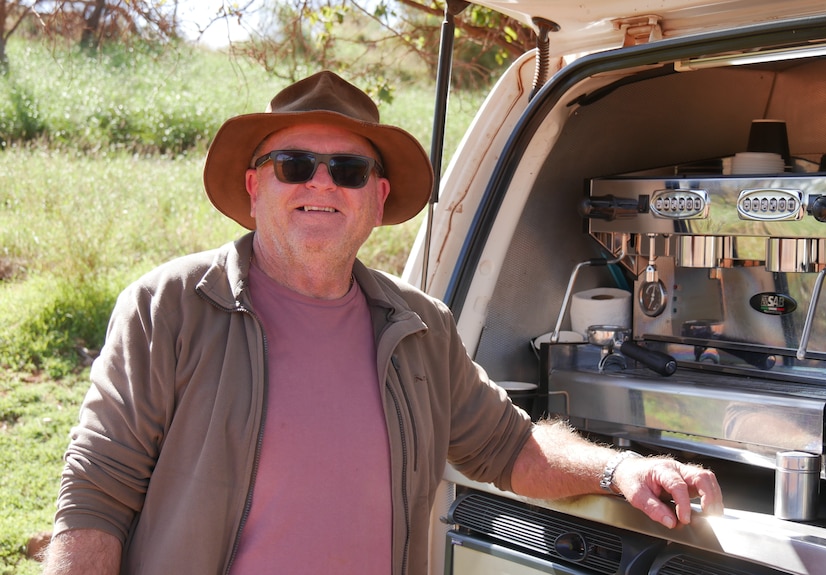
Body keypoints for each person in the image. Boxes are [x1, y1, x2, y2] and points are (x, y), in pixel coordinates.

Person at [42, 71, 723, 575]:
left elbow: (509, 447)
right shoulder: (169, 307)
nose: (321, 184)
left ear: (378, 197)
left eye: (347, 169)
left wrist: (621, 468)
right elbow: (95, 495)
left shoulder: (419, 326)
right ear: (255, 187)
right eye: (294, 165)